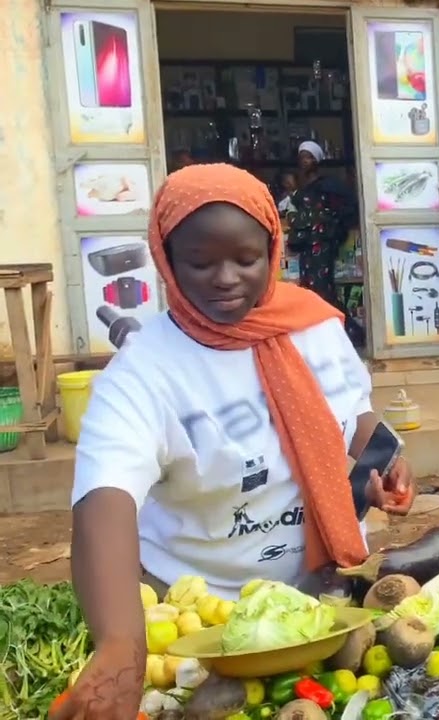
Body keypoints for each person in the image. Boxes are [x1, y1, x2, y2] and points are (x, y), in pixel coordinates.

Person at [52, 164, 416, 720]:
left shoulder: (313, 327)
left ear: (272, 252)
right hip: (203, 626)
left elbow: (354, 414)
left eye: (246, 260)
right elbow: (104, 501)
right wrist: (121, 647)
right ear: (167, 261)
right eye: (200, 263)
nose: (226, 278)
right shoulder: (143, 372)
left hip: (323, 605)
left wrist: (388, 464)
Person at [289, 140, 355, 311]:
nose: (304, 161)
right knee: (309, 290)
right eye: (302, 157)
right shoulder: (301, 191)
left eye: (309, 158)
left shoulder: (329, 185)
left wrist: (334, 226)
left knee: (323, 290)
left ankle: (339, 326)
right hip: (306, 246)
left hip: (323, 246)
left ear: (317, 161)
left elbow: (349, 206)